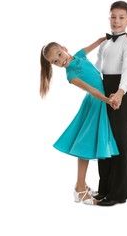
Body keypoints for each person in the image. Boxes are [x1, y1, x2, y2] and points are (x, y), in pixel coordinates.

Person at [39, 37, 120, 205]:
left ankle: (80, 184)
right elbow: (92, 90)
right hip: (96, 103)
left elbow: (96, 43)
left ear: (64, 47)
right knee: (86, 145)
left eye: (60, 54)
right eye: (55, 61)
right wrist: (108, 100)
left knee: (89, 143)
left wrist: (110, 37)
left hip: (99, 102)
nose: (61, 61)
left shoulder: (80, 55)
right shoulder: (71, 75)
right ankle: (80, 189)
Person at [94, 1, 127, 206]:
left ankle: (117, 194)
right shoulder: (104, 44)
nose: (116, 21)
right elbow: (96, 69)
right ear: (108, 18)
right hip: (103, 94)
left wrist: (118, 93)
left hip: (122, 94)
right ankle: (104, 190)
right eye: (113, 17)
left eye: (121, 17)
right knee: (104, 142)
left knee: (119, 144)